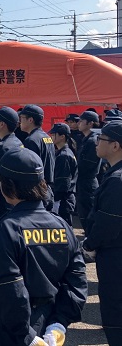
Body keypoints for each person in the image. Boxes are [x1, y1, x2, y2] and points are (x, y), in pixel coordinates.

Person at [0, 148, 87, 346]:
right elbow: (76, 279)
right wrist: (59, 322)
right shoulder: (62, 225)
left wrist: (26, 334)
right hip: (46, 320)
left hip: (3, 325)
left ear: (7, 186)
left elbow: (8, 286)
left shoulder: (6, 227)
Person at [82, 120, 122, 345]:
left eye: (101, 139)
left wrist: (89, 245)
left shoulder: (117, 180)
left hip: (115, 257)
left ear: (115, 145)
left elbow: (108, 224)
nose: (96, 143)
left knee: (115, 314)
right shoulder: (114, 174)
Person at [19, 105, 56, 212]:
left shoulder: (31, 140)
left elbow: (30, 169)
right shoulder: (46, 137)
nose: (20, 121)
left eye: (22, 118)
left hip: (37, 190)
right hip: (48, 188)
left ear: (30, 120)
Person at [0, 106, 23, 218]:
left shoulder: (3, 147)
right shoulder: (17, 142)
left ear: (2, 124)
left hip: (4, 201)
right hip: (16, 197)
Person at [76, 110, 101, 236]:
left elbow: (86, 165)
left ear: (90, 123)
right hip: (84, 181)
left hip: (87, 182)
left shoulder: (92, 141)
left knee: (87, 213)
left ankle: (90, 239)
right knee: (83, 212)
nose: (78, 123)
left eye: (81, 121)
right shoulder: (86, 139)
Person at [48, 123, 78, 226]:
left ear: (62, 137)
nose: (51, 136)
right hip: (66, 198)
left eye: (54, 134)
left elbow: (63, 182)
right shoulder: (65, 152)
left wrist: (55, 200)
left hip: (62, 200)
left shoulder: (63, 156)